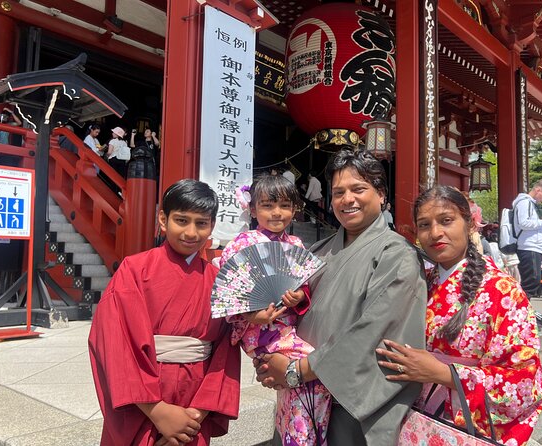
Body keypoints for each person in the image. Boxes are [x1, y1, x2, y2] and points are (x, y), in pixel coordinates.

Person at [254, 149, 427, 445]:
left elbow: (373, 332)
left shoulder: (397, 254)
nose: (348, 199)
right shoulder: (318, 251)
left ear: (382, 194)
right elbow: (286, 315)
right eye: (338, 192)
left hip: (350, 407)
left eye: (359, 189)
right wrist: (270, 359)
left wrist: (298, 370)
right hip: (300, 401)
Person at [377, 185, 542, 446]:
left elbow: (523, 381)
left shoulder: (503, 291)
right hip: (409, 417)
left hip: (461, 425)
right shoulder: (418, 281)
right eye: (424, 225)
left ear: (470, 225)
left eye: (446, 221)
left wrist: (444, 373)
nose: (435, 233)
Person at [88, 179, 241, 446]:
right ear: (163, 219)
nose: (191, 232)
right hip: (143, 402)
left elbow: (225, 353)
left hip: (195, 404)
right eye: (181, 220)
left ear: (212, 226)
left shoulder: (220, 281)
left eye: (201, 223)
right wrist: (158, 412)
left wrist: (194, 417)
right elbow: (115, 344)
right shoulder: (134, 270)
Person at [219, 174, 329, 446]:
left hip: (288, 329)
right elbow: (227, 296)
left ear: (294, 208)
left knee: (298, 388)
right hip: (260, 334)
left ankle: (299, 435)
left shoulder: (296, 246)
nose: (277, 213)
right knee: (317, 370)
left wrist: (297, 297)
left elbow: (305, 289)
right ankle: (303, 437)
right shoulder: (241, 244)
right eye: (267, 205)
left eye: (284, 205)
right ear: (253, 209)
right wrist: (251, 315)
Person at [513, 180, 542, 300]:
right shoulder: (525, 202)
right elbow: (523, 223)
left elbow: (528, 224)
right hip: (529, 246)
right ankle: (519, 309)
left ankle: (522, 309)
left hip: (532, 246)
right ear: (538, 190)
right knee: (532, 280)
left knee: (532, 281)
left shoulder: (529, 203)